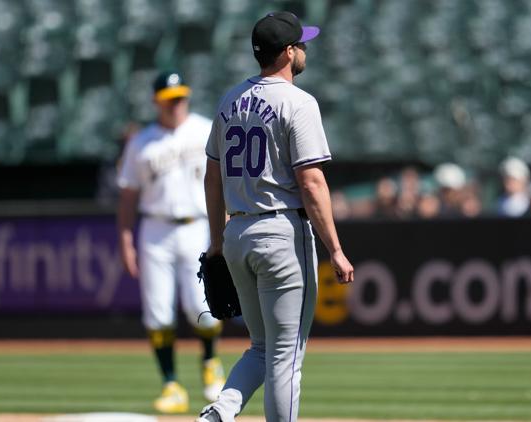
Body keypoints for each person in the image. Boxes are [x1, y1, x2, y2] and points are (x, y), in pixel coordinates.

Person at [197, 12, 355, 422]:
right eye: (300, 44)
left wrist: (218, 241)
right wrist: (335, 249)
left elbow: (212, 178)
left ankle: (219, 413)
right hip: (280, 231)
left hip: (238, 233)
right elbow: (313, 183)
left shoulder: (228, 99)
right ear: (288, 52)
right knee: (285, 356)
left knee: (262, 347)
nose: (304, 49)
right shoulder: (298, 103)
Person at [116, 71, 226, 414]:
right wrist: (125, 240)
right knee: (158, 310)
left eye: (181, 97)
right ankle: (170, 384)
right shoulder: (142, 142)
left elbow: (223, 182)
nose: (176, 103)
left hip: (197, 226)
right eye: (169, 98)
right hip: (155, 229)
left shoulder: (205, 128)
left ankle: (210, 362)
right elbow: (128, 196)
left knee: (202, 305)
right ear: (157, 101)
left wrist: (224, 227)